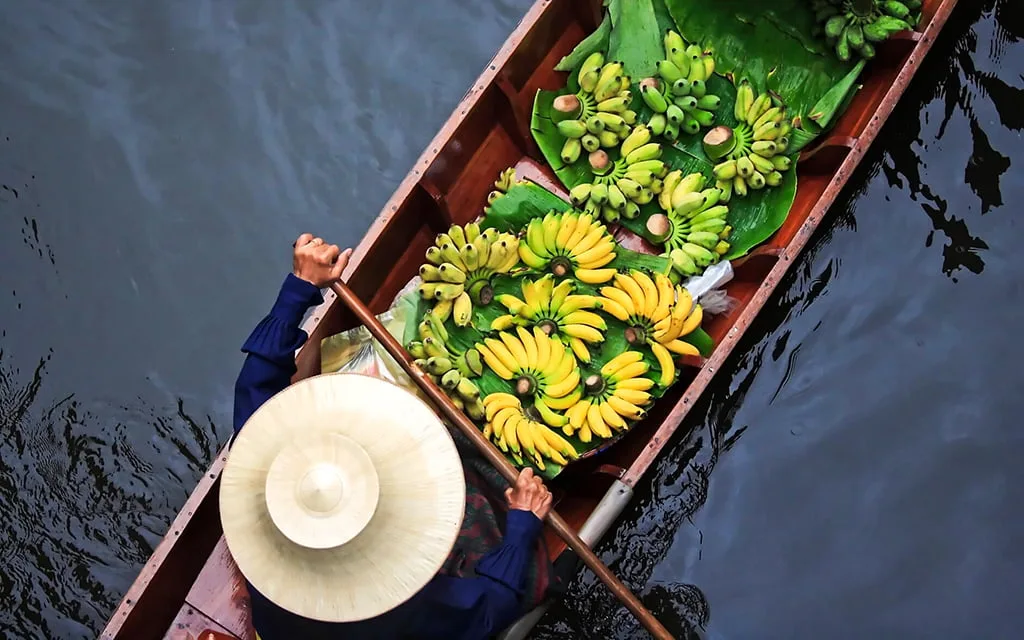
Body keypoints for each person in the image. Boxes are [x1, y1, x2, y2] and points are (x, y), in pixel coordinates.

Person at [226, 233, 553, 640]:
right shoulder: (392, 608)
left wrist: (301, 285)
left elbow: (256, 380)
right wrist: (523, 523)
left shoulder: (258, 463)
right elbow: (488, 607)